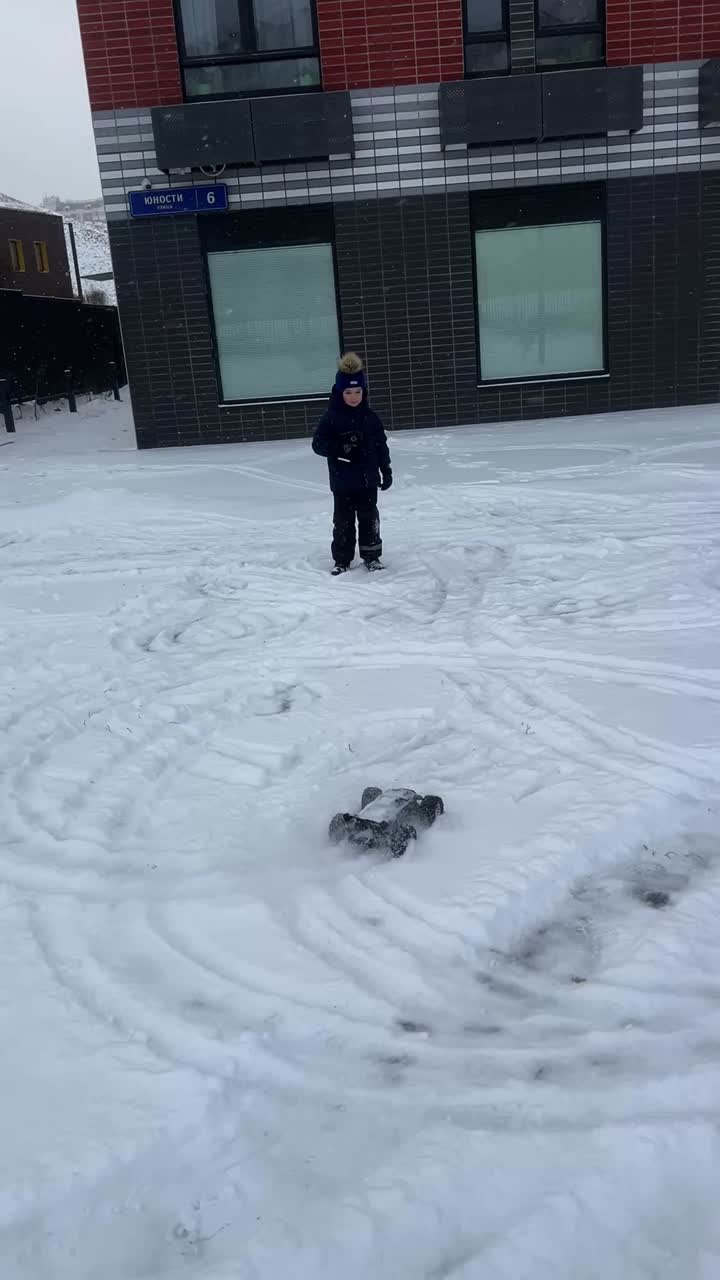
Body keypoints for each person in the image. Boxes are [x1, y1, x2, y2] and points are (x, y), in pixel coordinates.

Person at [312, 353, 392, 575]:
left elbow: (381, 446)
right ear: (340, 393)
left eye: (358, 392)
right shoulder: (331, 417)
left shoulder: (371, 418)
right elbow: (318, 444)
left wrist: (386, 470)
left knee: (369, 519)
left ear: (364, 392)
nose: (354, 396)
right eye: (348, 392)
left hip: (368, 479)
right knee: (343, 522)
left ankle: (372, 556)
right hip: (342, 481)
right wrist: (339, 447)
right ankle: (342, 559)